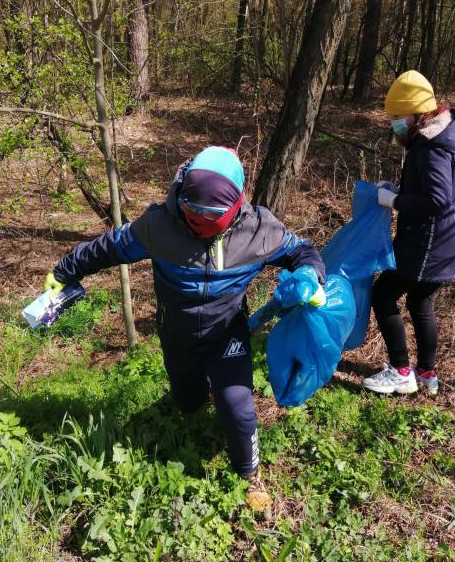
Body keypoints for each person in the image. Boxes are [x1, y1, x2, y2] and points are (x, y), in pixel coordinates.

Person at [45, 146, 326, 512]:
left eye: (211, 215)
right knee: (188, 401)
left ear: (236, 203)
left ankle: (249, 472)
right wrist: (64, 273)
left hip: (226, 331)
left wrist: (309, 274)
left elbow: (303, 251)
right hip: (176, 331)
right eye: (192, 210)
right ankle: (191, 405)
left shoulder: (259, 230)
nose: (199, 221)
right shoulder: (161, 226)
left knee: (237, 405)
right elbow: (108, 247)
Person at [362, 71, 455, 396]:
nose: (395, 124)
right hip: (452, 237)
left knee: (383, 295)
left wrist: (395, 200)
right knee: (420, 301)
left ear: (416, 112)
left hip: (432, 241)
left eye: (398, 117)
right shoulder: (449, 136)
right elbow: (439, 188)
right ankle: (427, 374)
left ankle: (401, 372)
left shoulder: (429, 147)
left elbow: (436, 199)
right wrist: (402, 189)